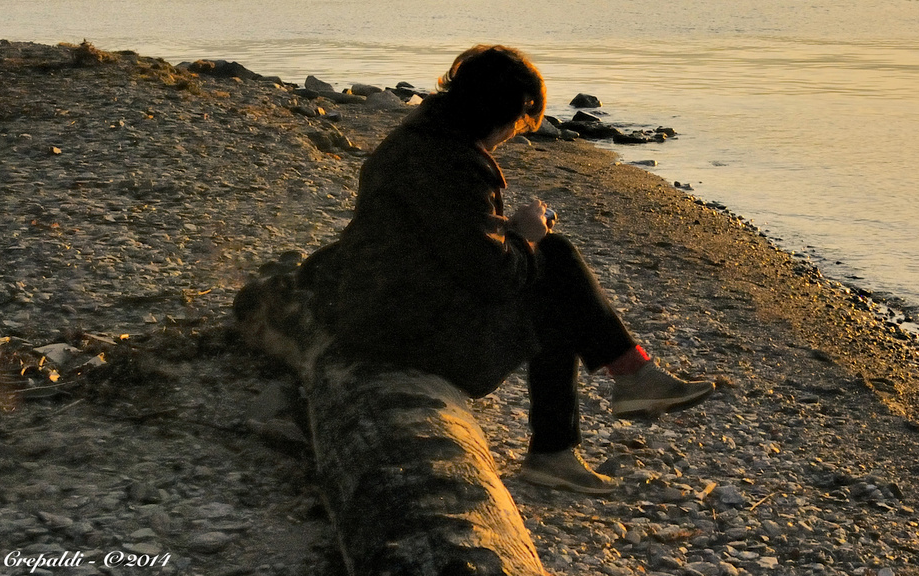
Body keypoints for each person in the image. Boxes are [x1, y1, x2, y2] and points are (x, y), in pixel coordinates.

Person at [300, 44, 714, 493]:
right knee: (552, 265)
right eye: (520, 122)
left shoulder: (421, 141)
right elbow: (493, 277)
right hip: (402, 333)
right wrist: (527, 235)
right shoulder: (451, 163)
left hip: (384, 310)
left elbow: (449, 244)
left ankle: (583, 424)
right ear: (504, 111)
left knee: (550, 268)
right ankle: (614, 393)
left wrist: (506, 231)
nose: (515, 134)